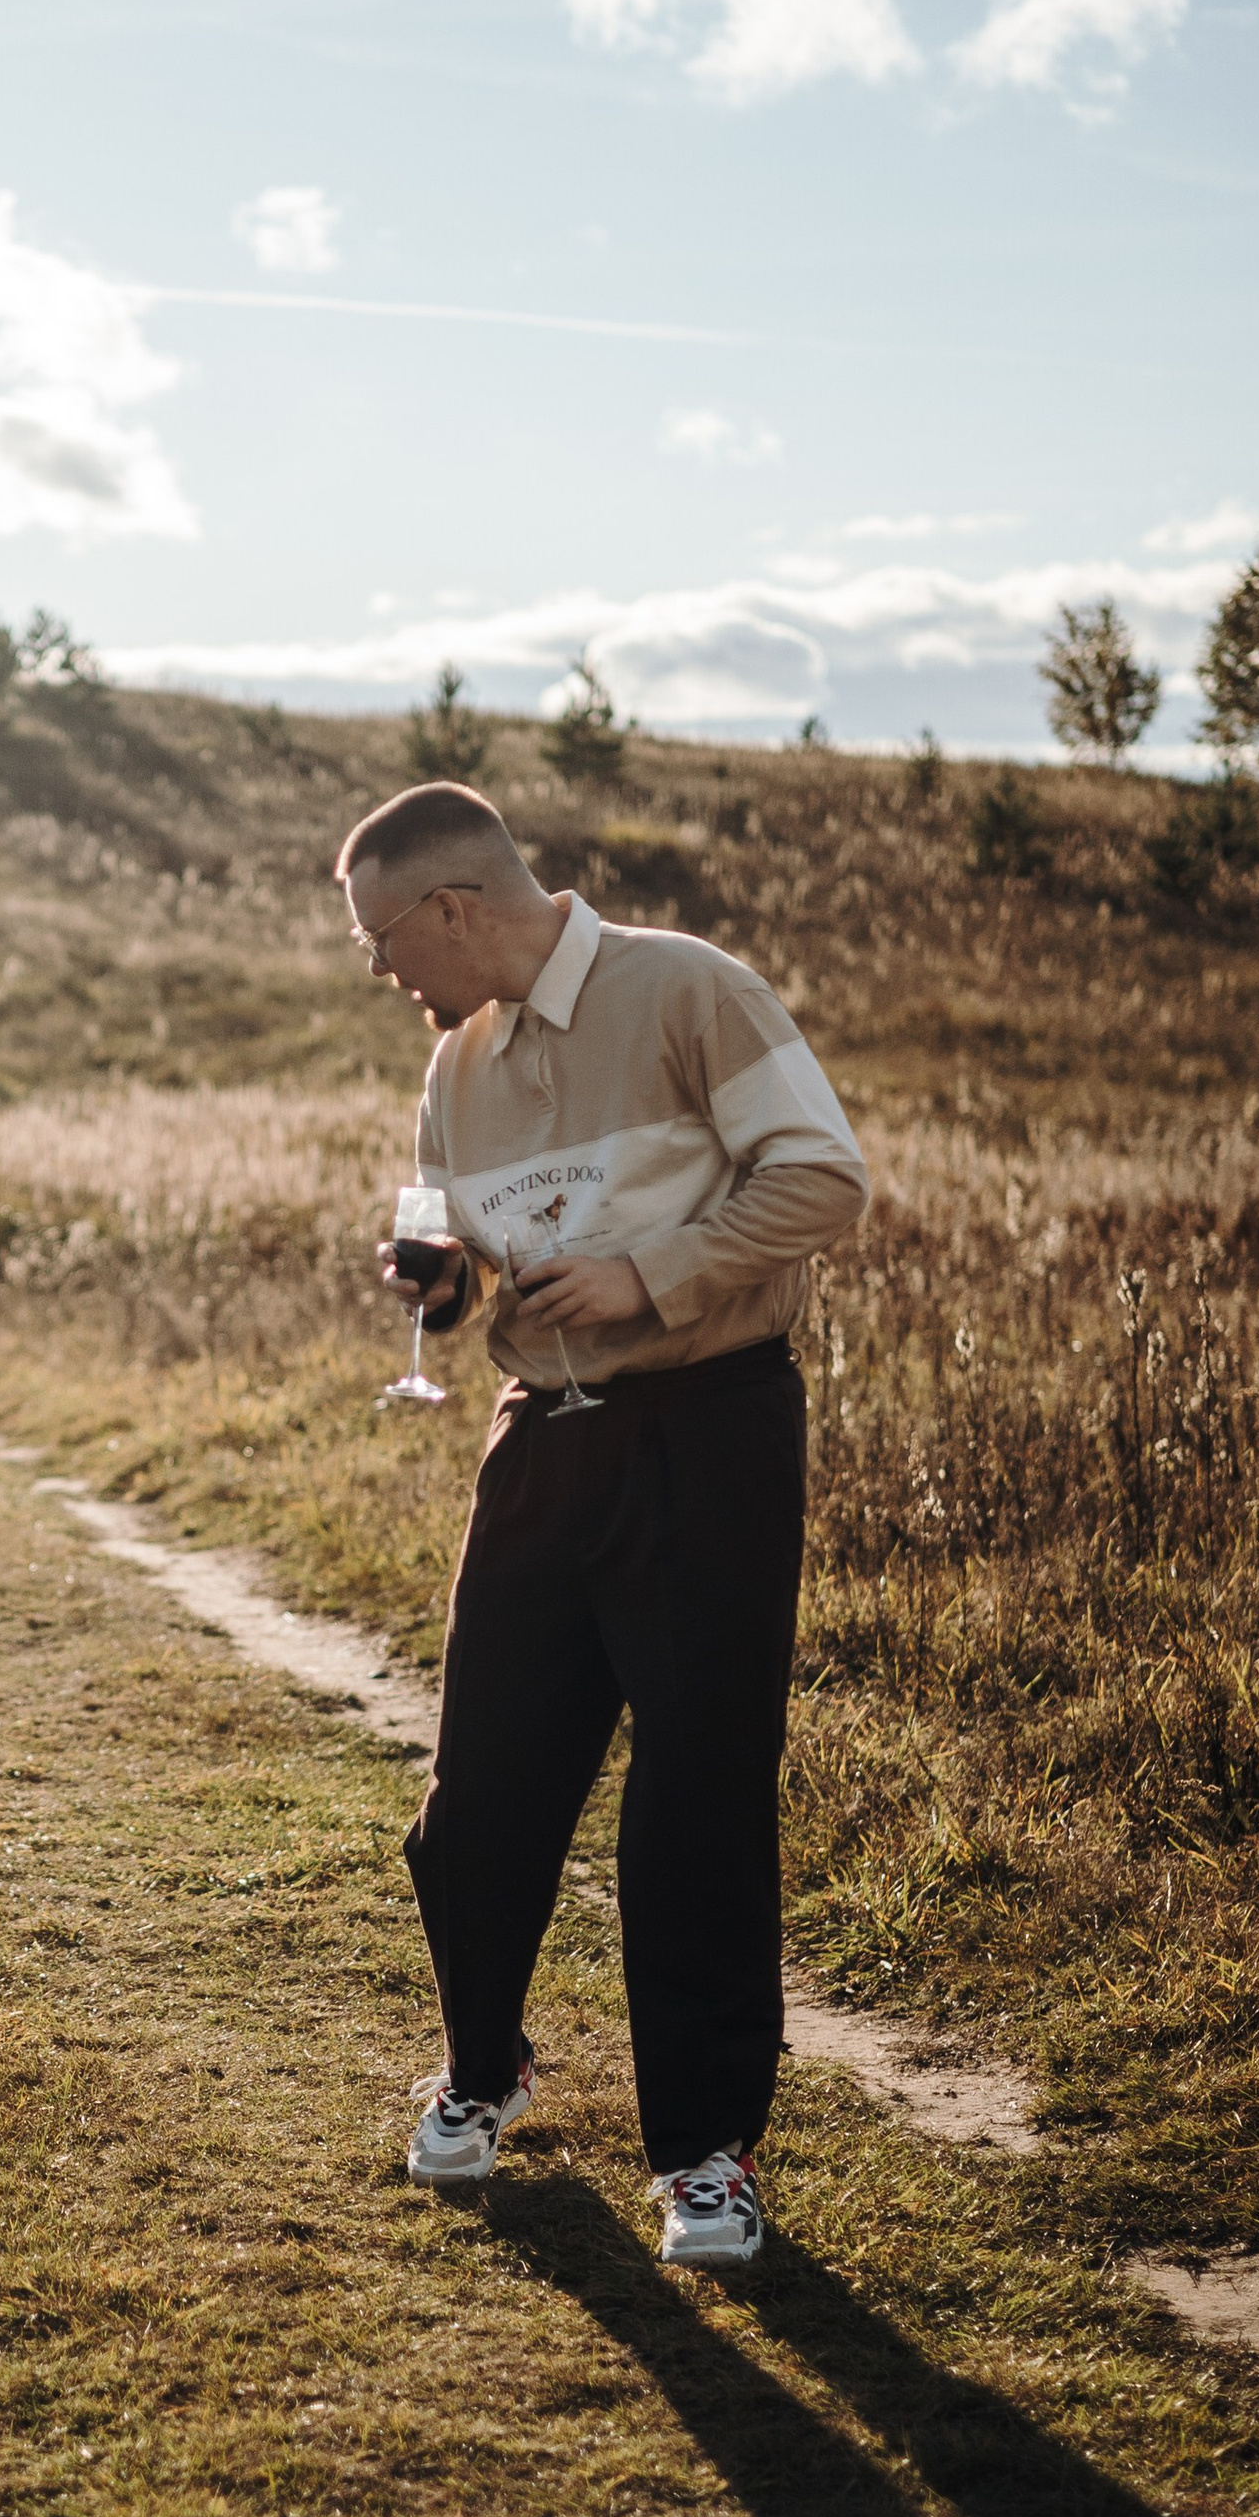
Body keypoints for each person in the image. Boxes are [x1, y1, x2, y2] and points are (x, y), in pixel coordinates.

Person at [337, 779, 869, 2269]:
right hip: (539, 1448)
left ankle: (707, 2155)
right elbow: (452, 1235)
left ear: (454, 907)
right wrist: (439, 1287)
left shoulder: (690, 988)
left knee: (693, 1805)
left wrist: (654, 1275)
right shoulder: (456, 1062)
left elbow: (824, 1178)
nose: (384, 972)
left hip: (710, 1432)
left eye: (386, 939)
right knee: (478, 1800)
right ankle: (485, 2063)